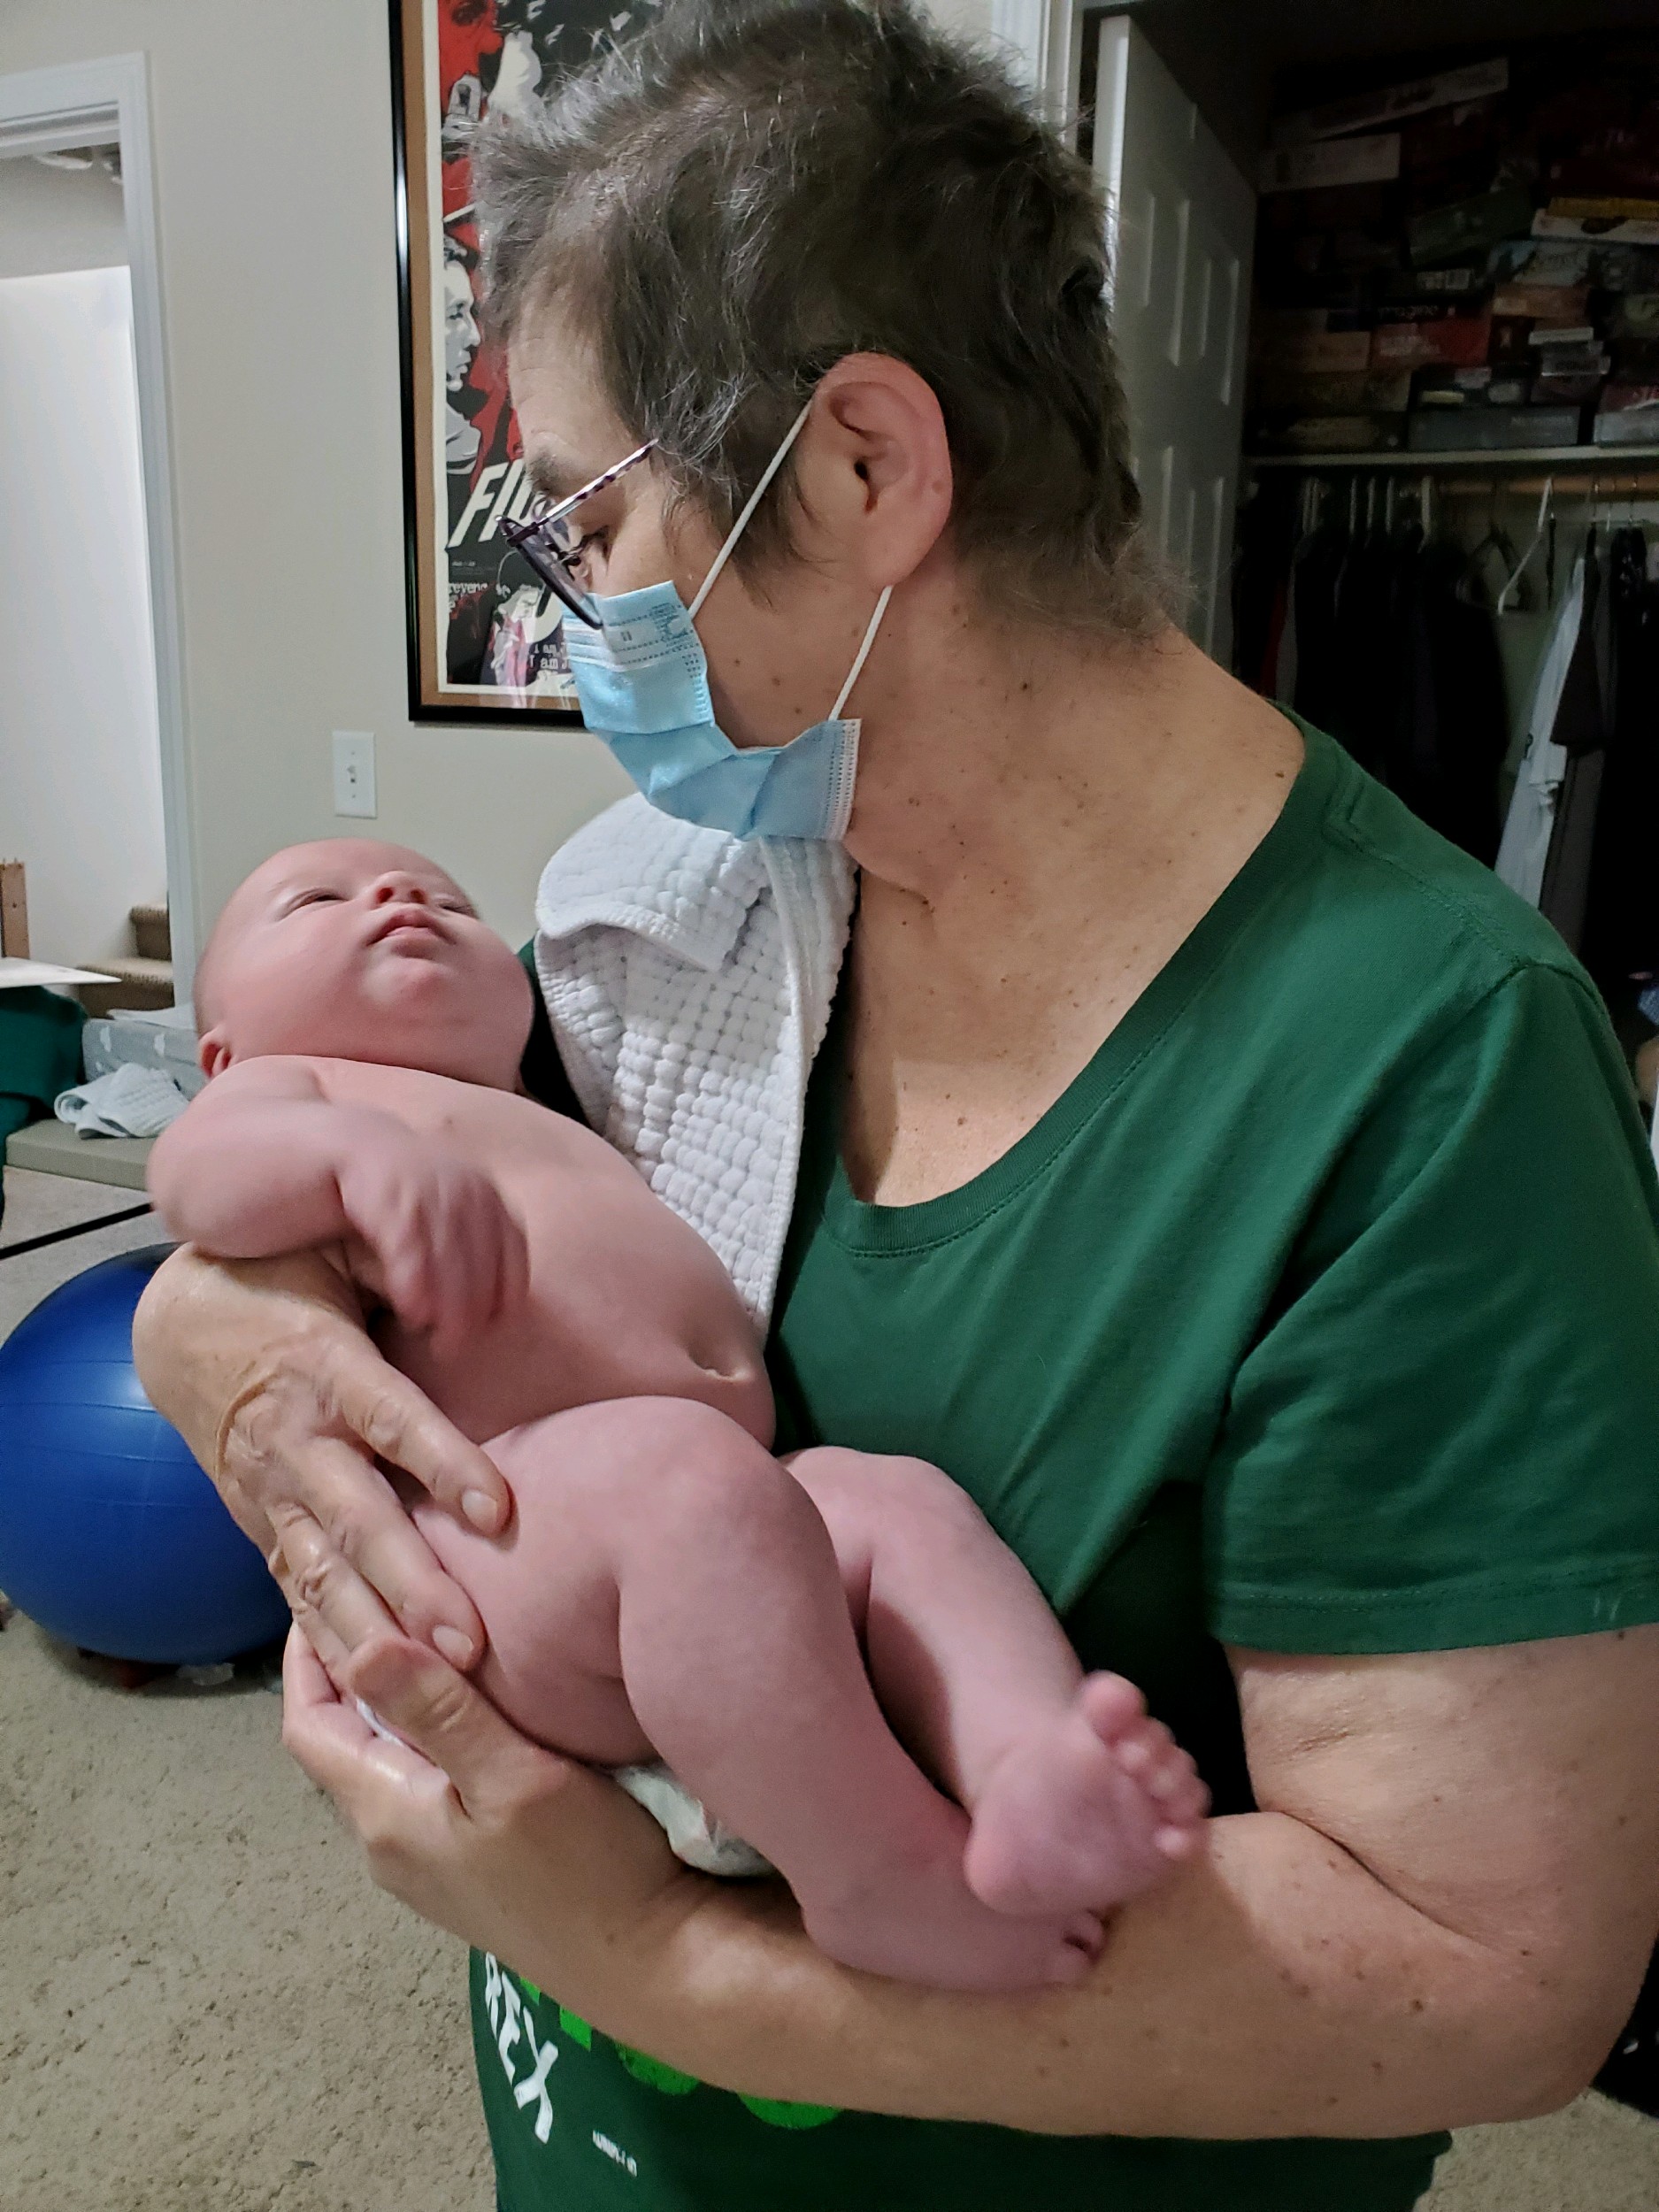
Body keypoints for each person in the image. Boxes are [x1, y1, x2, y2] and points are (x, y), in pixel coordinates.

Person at [134, 4, 1659, 2208]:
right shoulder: (689, 913)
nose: (564, 617)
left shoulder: (1429, 1069)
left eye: (585, 513)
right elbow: (384, 1176)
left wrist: (656, 1952)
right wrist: (215, 1313)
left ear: (861, 465)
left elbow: (1492, 1971)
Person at [149, 835, 1207, 1989]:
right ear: (221, 1045)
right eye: (316, 901)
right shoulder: (295, 1094)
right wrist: (341, 1155)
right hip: (492, 1543)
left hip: (708, 1519)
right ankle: (879, 1872)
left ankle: (1027, 1763)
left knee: (894, 1501)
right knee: (690, 1488)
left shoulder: (548, 1104)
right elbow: (194, 1178)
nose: (400, 894)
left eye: (445, 897)